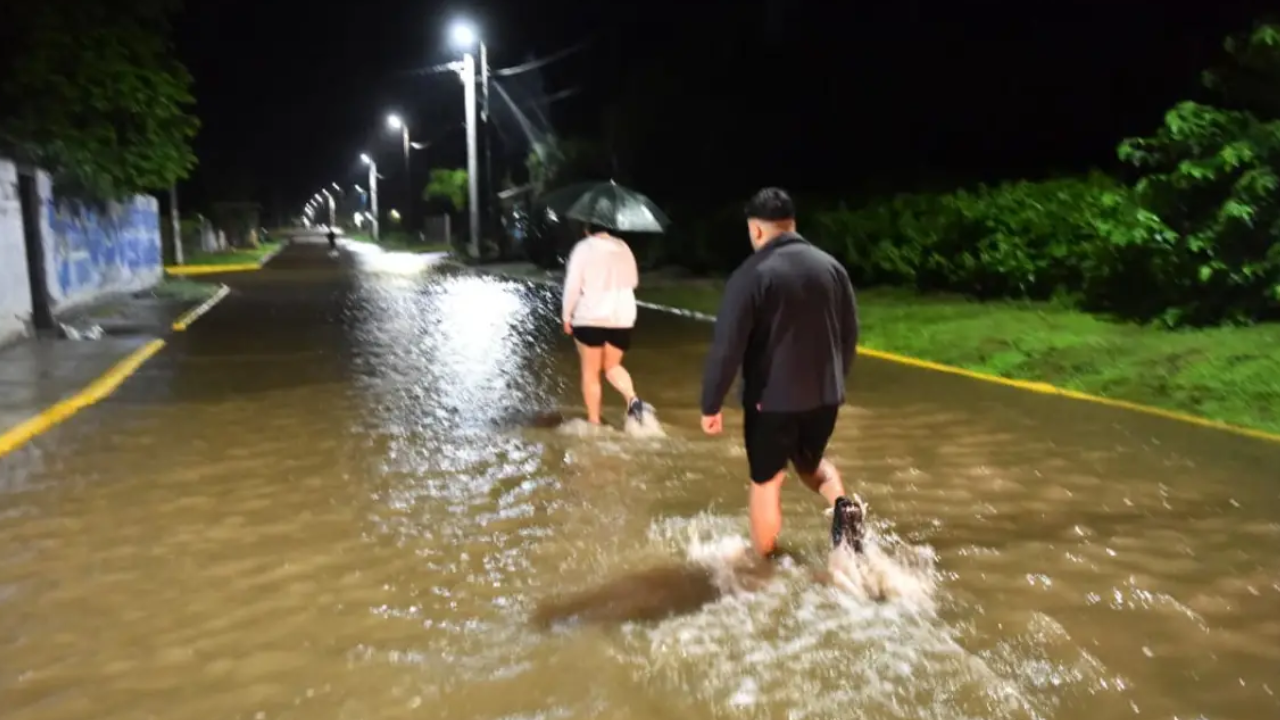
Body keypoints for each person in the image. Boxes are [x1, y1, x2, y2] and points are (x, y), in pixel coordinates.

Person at [699, 187, 865, 559]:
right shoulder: (831, 268)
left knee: (766, 481)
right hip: (824, 398)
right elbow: (849, 334)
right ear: (791, 224)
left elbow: (728, 348)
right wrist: (835, 382)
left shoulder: (751, 274)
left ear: (756, 230)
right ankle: (844, 506)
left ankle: (764, 566)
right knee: (811, 464)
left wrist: (711, 404)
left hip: (770, 403)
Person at [561, 223, 651, 425]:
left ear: (586, 229)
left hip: (590, 317)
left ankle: (594, 423)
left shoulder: (583, 248)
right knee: (612, 366)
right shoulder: (623, 247)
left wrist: (566, 316)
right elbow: (633, 281)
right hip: (622, 317)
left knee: (590, 372)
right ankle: (632, 399)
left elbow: (573, 284)